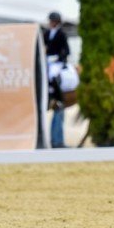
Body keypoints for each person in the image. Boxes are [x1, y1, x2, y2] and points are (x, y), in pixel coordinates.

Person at [44, 11, 70, 148]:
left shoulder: (61, 34)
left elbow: (66, 50)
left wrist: (59, 57)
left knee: (53, 73)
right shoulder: (47, 33)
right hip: (47, 60)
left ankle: (54, 91)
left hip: (57, 61)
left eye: (53, 21)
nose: (51, 23)